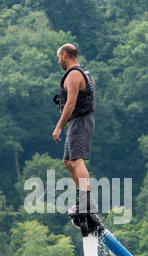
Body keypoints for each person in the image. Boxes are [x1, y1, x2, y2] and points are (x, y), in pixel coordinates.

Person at [52, 43, 97, 214]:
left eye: (58, 58)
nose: (58, 62)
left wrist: (58, 128)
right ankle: (83, 201)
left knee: (77, 161)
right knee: (68, 162)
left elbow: (70, 105)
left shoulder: (73, 75)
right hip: (78, 121)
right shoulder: (85, 72)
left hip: (79, 121)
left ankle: (88, 203)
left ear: (65, 55)